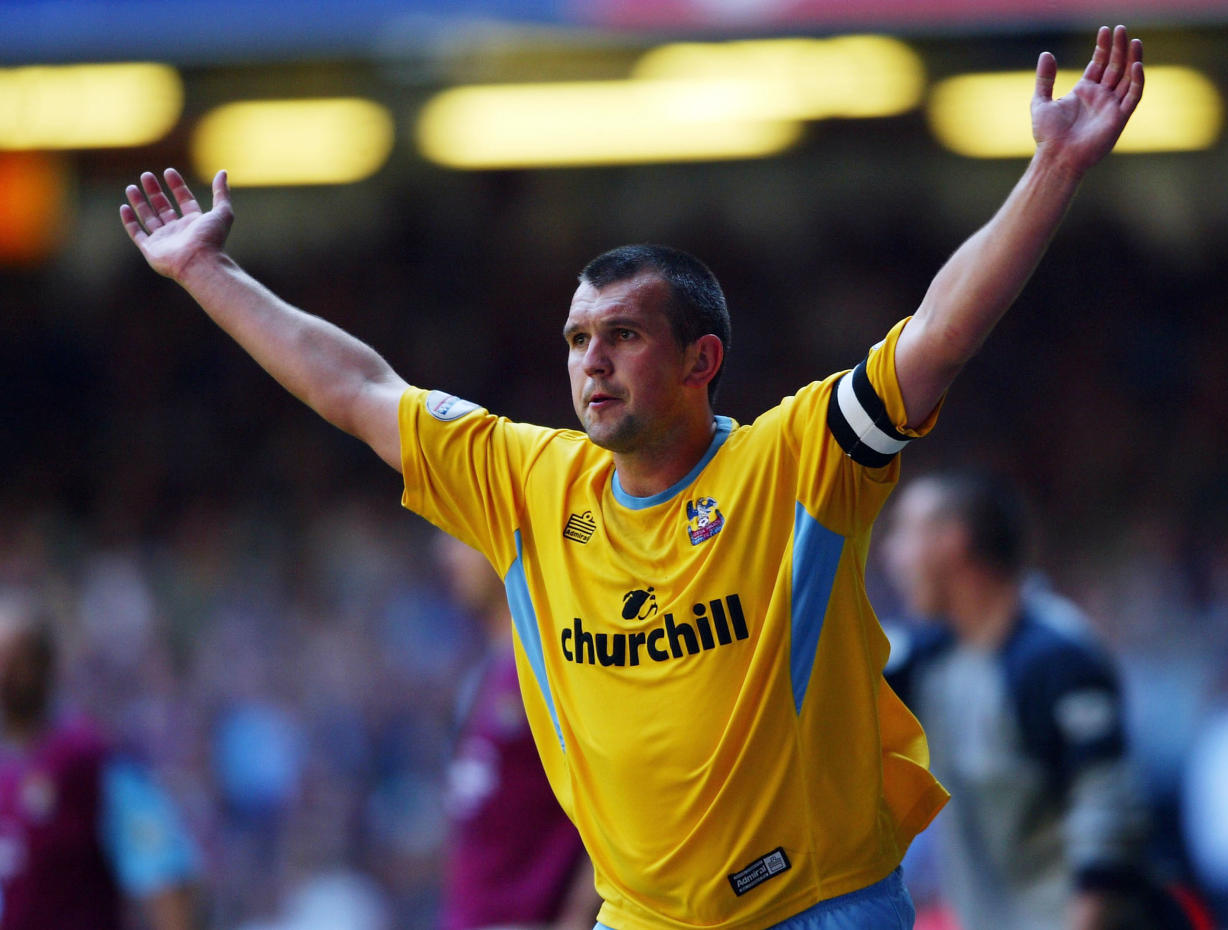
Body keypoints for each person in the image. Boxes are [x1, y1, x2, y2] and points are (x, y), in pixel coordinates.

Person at [118, 27, 1143, 930]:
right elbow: (355, 389)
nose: (590, 361)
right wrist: (209, 272)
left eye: (622, 335)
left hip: (818, 909)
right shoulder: (526, 480)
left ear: (701, 361)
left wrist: (1052, 169)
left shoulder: (794, 463)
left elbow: (937, 338)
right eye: (575, 339)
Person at [880, 470, 1198, 930]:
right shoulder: (930, 658)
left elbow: (1107, 825)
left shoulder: (1056, 658)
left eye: (905, 532)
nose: (892, 553)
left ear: (953, 542)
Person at [0, 592, 200, 930]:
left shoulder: (94, 760)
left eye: (16, 660)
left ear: (46, 664)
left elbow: (164, 875)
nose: (5, 675)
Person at [436, 533, 599, 930]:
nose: (444, 557)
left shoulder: (554, 663)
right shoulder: (483, 671)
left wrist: (576, 919)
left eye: (458, 538)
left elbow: (614, 798)